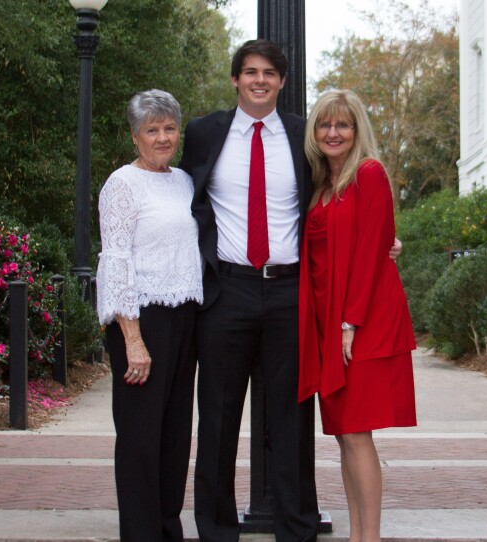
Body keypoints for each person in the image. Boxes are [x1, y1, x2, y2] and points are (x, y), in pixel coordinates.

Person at [178, 39, 320, 542]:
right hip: (227, 292)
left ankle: (296, 528)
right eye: (250, 72)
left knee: (292, 421)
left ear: (282, 82)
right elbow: (181, 197)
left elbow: (335, 193)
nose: (260, 80)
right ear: (236, 79)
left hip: (289, 292)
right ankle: (215, 529)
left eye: (269, 73)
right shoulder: (202, 133)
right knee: (216, 420)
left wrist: (379, 239)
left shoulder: (305, 135)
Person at [298, 89, 417, 542]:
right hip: (331, 325)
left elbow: (370, 253)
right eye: (325, 125)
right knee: (346, 436)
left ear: (356, 130)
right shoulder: (321, 184)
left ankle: (370, 537)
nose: (333, 133)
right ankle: (357, 535)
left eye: (342, 125)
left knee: (358, 434)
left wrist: (350, 325)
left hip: (361, 323)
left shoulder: (369, 174)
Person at [96, 89, 203, 541]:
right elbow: (116, 259)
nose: (162, 137)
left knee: (175, 435)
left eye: (169, 128)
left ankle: (166, 527)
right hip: (141, 322)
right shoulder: (122, 184)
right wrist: (132, 339)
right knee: (140, 438)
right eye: (152, 130)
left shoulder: (183, 181)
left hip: (185, 319)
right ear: (135, 136)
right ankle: (141, 534)